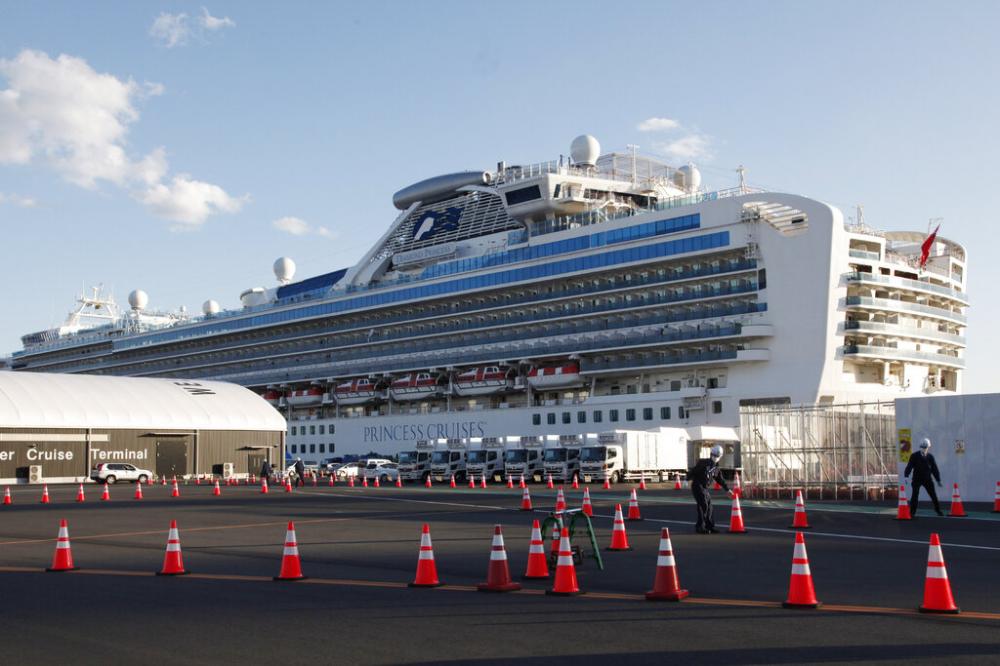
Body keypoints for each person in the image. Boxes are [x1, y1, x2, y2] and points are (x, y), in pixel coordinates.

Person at [689, 444, 732, 533]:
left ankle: (710, 526)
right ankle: (700, 527)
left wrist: (727, 489)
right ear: (711, 454)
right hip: (697, 485)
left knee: (709, 506)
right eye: (714, 455)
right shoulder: (703, 463)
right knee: (703, 505)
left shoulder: (716, 468)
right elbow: (693, 471)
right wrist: (687, 479)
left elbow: (720, 479)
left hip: (704, 487)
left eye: (717, 456)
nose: (715, 457)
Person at [904, 438, 943, 517]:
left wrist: (938, 480)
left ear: (928, 447)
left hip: (927, 479)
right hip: (917, 479)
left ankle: (938, 510)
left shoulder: (930, 457)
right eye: (923, 447)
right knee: (915, 495)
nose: (924, 449)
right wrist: (906, 475)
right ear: (920, 447)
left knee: (933, 495)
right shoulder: (914, 456)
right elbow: (909, 466)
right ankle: (912, 512)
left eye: (926, 447)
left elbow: (934, 469)